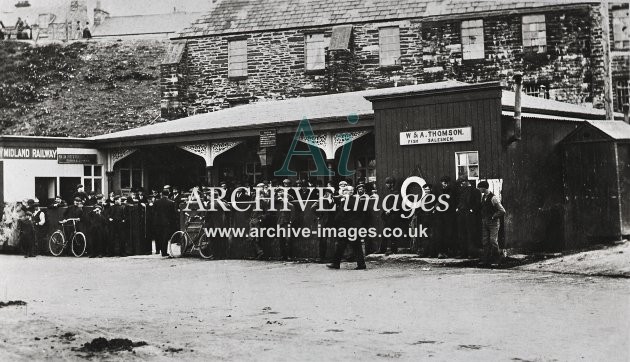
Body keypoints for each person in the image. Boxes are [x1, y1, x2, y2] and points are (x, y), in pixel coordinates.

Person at [327, 186, 367, 270]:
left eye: (345, 191)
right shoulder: (356, 200)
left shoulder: (345, 201)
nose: (343, 192)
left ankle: (336, 263)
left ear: (349, 192)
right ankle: (360, 264)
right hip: (354, 226)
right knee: (353, 245)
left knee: (342, 245)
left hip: (347, 226)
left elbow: (341, 214)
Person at [477, 181, 506, 265]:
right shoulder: (483, 197)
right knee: (485, 241)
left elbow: (502, 211)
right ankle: (486, 260)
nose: (479, 189)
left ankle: (497, 260)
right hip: (485, 222)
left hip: (493, 223)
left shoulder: (494, 198)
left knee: (493, 241)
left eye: (480, 187)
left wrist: (493, 216)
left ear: (484, 188)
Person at [455, 176, 482, 258]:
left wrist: (472, 210)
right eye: (460, 183)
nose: (461, 184)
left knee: (471, 234)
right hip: (461, 215)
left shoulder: (475, 191)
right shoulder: (461, 191)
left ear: (467, 181)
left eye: (462, 182)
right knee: (461, 233)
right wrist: (458, 208)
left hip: (470, 216)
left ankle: (472, 253)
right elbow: (460, 201)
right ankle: (463, 253)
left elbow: (478, 203)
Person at [380, 176, 407, 255]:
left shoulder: (397, 193)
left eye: (388, 183)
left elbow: (398, 205)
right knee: (385, 232)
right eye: (386, 183)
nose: (386, 185)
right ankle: (382, 249)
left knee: (392, 233)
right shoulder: (389, 193)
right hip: (388, 216)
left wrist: (390, 210)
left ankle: (393, 250)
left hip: (394, 216)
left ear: (392, 184)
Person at [312, 187, 336, 263]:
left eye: (330, 193)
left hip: (331, 222)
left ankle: (330, 256)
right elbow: (312, 208)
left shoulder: (333, 200)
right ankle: (321, 257)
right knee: (323, 239)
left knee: (331, 239)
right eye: (328, 193)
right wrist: (319, 216)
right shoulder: (321, 199)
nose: (330, 195)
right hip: (324, 222)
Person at [153, 189, 178, 258]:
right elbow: (173, 214)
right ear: (168, 194)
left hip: (157, 222)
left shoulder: (156, 202)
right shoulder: (171, 202)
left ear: (161, 194)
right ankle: (164, 252)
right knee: (165, 237)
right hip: (166, 222)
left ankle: (158, 249)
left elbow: (153, 212)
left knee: (159, 236)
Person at [275, 189, 296, 261]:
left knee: (287, 240)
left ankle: (289, 255)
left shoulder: (290, 205)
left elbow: (293, 216)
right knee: (281, 240)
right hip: (280, 223)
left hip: (286, 224)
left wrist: (289, 222)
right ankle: (283, 255)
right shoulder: (280, 205)